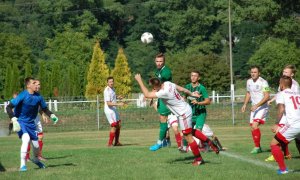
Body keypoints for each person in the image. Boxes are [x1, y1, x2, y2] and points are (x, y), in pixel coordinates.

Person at [135, 74, 219, 166]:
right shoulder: (168, 83)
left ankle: (199, 159)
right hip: (186, 109)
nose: (153, 89)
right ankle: (210, 142)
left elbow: (147, 95)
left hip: (183, 114)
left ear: (156, 86)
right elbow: (182, 89)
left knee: (188, 136)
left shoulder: (163, 92)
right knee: (190, 131)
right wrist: (192, 94)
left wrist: (139, 80)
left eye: (153, 87)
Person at [6, 77, 59, 172]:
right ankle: (23, 165)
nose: (36, 85)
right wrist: (13, 118)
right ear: (28, 85)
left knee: (36, 146)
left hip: (31, 124)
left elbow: (45, 109)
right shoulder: (22, 95)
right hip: (21, 122)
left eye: (37, 83)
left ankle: (35, 159)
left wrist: (52, 115)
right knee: (25, 139)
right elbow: (9, 107)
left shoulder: (39, 97)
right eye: (34, 83)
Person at [265, 64, 300, 161]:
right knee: (291, 136)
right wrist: (272, 100)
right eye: (283, 72)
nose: (284, 73)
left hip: (290, 114)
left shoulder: (294, 85)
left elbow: (290, 97)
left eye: (286, 72)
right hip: (289, 113)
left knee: (279, 133)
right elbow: (280, 93)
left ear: (292, 74)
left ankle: (280, 153)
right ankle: (284, 153)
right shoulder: (284, 81)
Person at [270, 76, 300, 175]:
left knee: (274, 144)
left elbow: (281, 109)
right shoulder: (298, 94)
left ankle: (283, 170)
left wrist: (276, 124)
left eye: (279, 83)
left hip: (294, 124)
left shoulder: (281, 94)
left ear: (282, 85)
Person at [241, 65, 270, 154]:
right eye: (252, 72)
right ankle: (258, 147)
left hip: (262, 107)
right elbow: (248, 93)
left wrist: (257, 105)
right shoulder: (249, 81)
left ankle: (257, 147)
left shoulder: (264, 82)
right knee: (252, 128)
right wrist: (245, 104)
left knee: (254, 125)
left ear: (259, 73)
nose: (253, 74)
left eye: (255, 72)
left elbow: (267, 96)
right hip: (254, 107)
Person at [180, 70, 211, 152]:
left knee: (198, 131)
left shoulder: (202, 88)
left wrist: (198, 102)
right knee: (185, 130)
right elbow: (184, 98)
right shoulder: (187, 87)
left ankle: (205, 144)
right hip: (190, 113)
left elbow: (208, 101)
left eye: (195, 76)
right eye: (192, 75)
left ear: (198, 77)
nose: (193, 77)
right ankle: (184, 147)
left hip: (200, 113)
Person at [26, 79, 51, 161]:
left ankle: (38, 156)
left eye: (39, 84)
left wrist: (43, 115)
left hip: (36, 118)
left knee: (40, 136)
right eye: (36, 84)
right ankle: (26, 157)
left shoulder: (38, 96)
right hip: (28, 119)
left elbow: (39, 107)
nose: (38, 86)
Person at [104, 77, 125, 147]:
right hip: (109, 110)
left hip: (113, 109)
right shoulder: (107, 91)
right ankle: (109, 144)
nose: (111, 83)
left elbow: (112, 97)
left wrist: (118, 97)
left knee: (119, 124)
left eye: (112, 81)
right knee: (114, 126)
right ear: (107, 83)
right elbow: (108, 103)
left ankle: (116, 142)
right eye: (110, 82)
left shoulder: (112, 89)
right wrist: (118, 104)